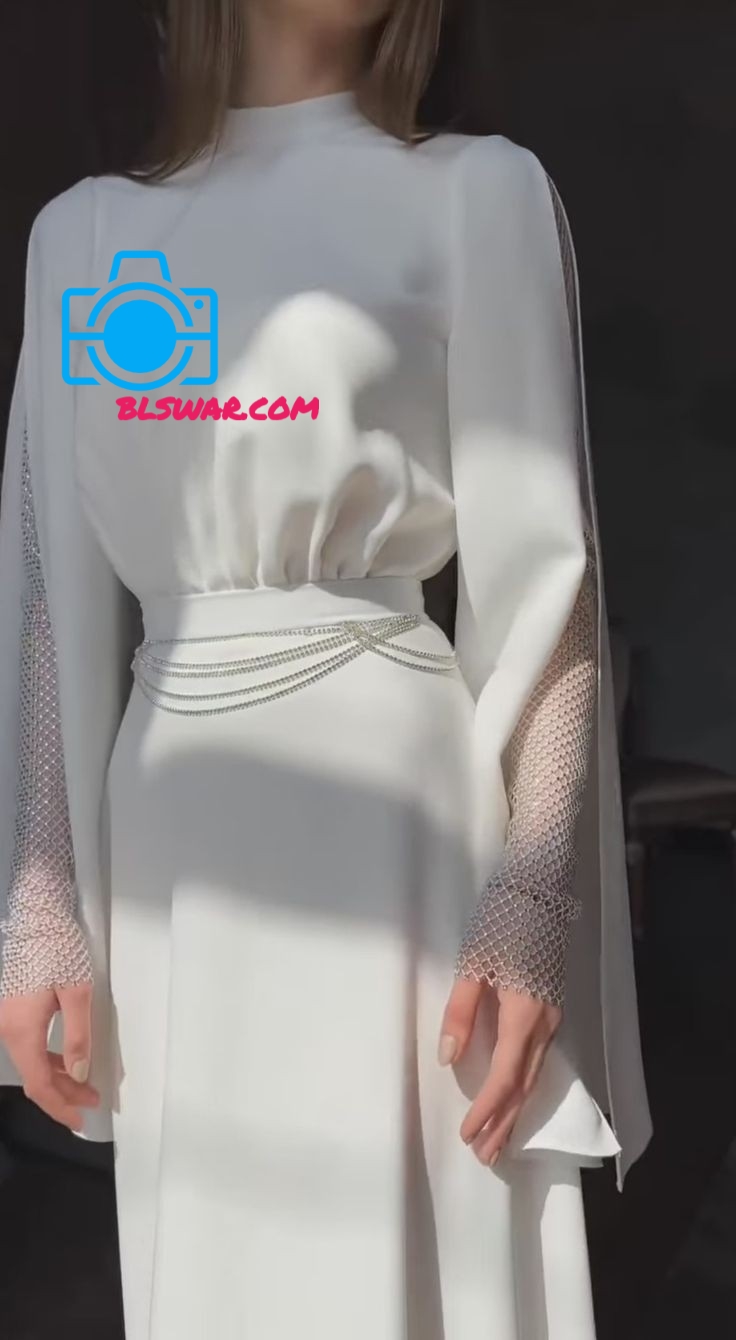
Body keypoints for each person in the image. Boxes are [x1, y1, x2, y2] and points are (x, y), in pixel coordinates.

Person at [0, 1, 651, 1336]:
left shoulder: (478, 193)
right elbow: (56, 584)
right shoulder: (90, 238)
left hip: (400, 819)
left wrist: (534, 893)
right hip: (179, 833)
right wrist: (44, 894)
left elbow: (551, 582)